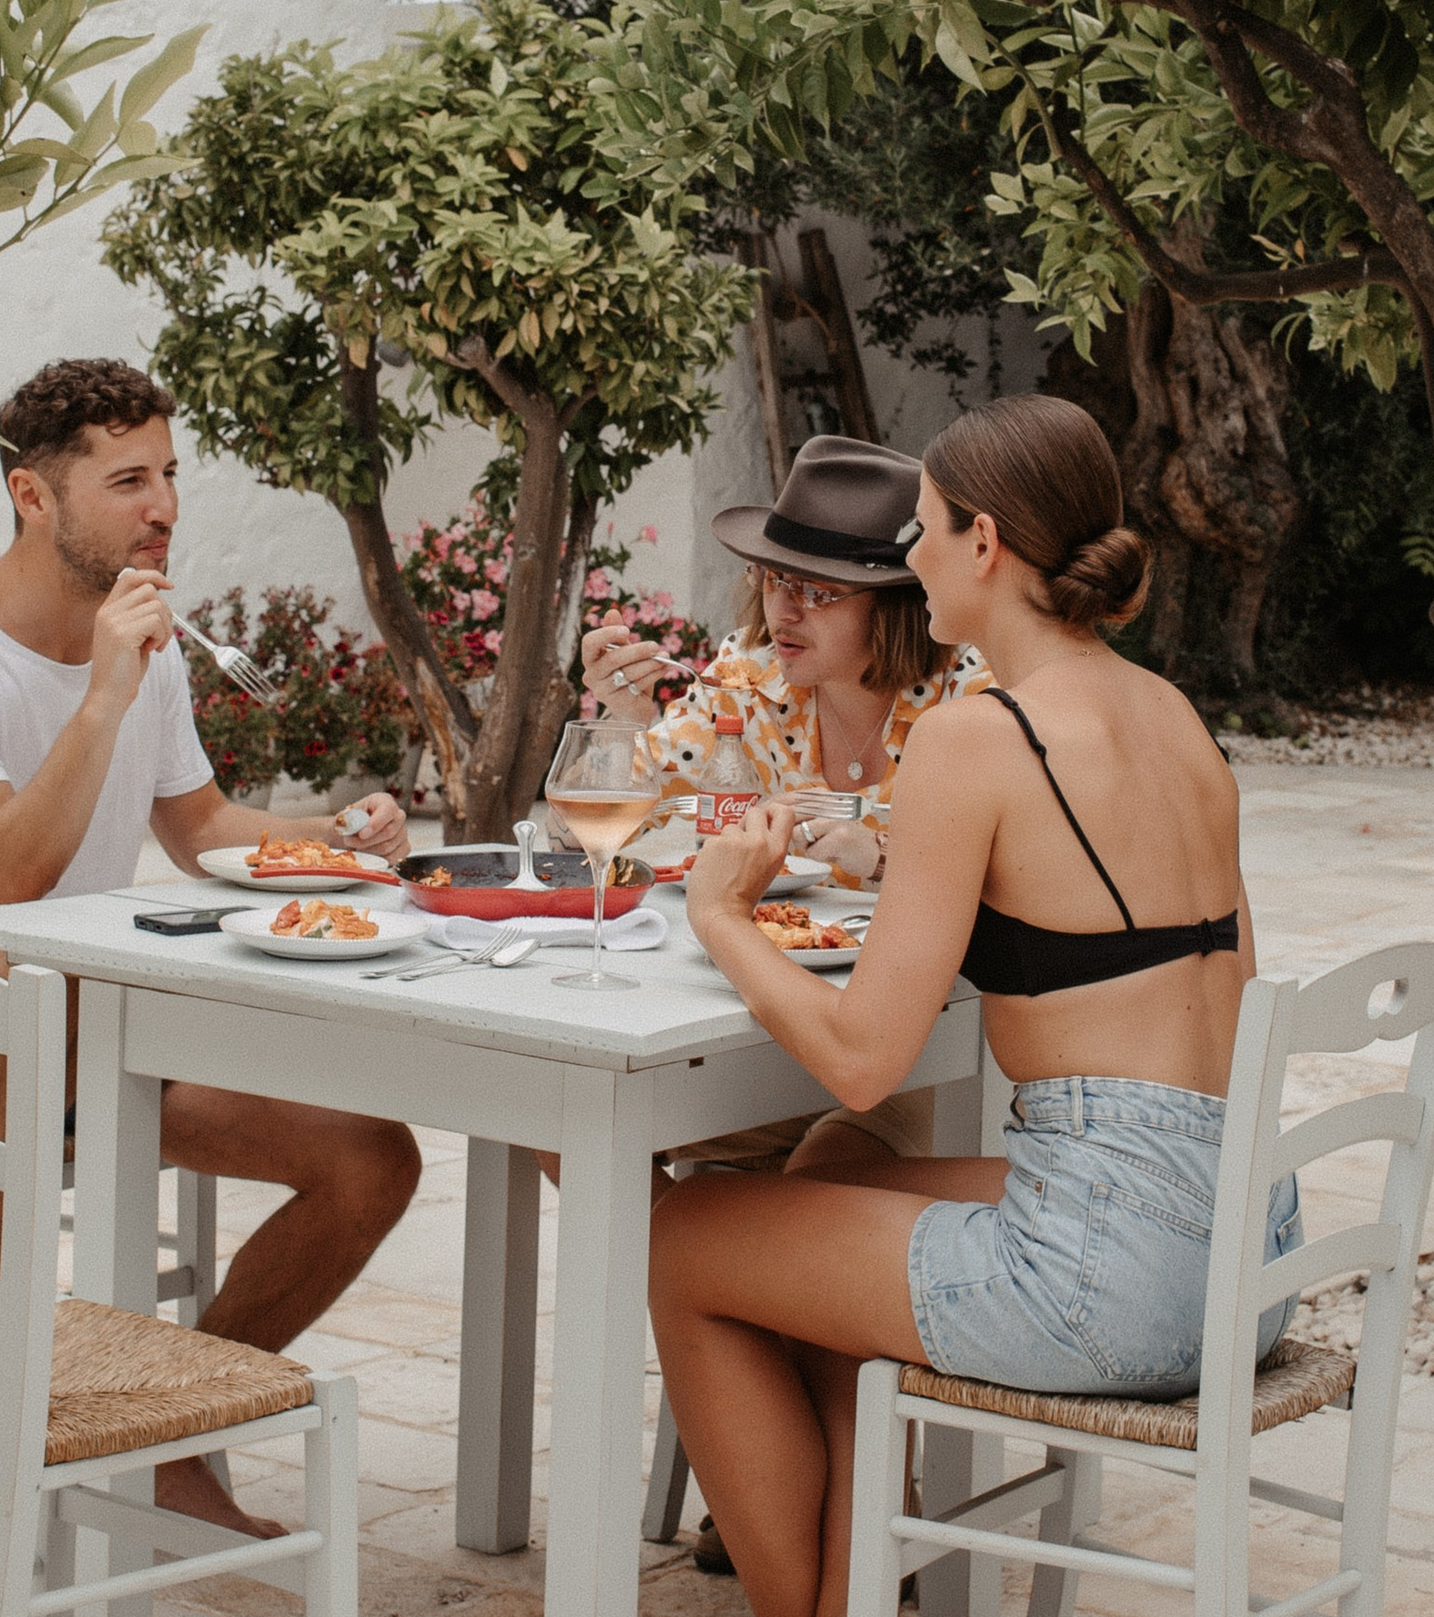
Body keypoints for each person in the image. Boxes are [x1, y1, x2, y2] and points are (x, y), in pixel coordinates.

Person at [637, 392, 1300, 1617]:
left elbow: (868, 1054)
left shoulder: (977, 737)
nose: (913, 561)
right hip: (1243, 1236)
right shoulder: (1173, 715)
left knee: (684, 1237)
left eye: (924, 533)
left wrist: (723, 921)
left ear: (985, 541)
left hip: (1112, 1272)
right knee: (822, 1180)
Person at [0, 355, 422, 1537]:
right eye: (125, 482)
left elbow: (202, 831)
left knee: (373, 1159)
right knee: (11, 979)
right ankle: (26, 1405)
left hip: (92, 1032)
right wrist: (101, 694)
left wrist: (329, 842)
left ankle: (160, 1422)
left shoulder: (144, 645)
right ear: (33, 496)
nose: (161, 508)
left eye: (168, 476)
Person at [341, 434, 987, 1186]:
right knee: (565, 1120)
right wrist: (619, 722)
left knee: (810, 1181)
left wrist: (876, 860)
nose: (784, 611)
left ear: (897, 606)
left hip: (913, 1053)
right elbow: (587, 831)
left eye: (819, 593)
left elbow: (1000, 887)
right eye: (775, 579)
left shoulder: (968, 699)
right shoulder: (748, 677)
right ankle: (681, 1269)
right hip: (754, 1028)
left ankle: (693, 1266)